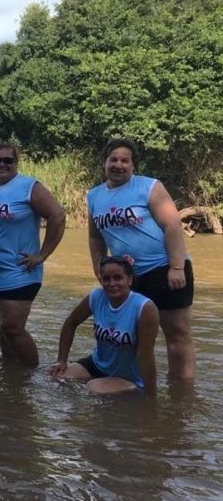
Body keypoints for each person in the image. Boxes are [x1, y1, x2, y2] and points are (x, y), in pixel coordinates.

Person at [87, 138, 195, 379]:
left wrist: (176, 267)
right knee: (132, 337)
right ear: (104, 163)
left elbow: (172, 225)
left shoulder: (149, 187)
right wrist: (99, 268)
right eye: (113, 159)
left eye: (125, 160)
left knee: (176, 334)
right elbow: (96, 237)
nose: (118, 165)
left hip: (164, 269)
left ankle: (181, 396)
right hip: (127, 278)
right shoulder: (94, 196)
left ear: (134, 165)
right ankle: (138, 390)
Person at [0, 142, 66, 366]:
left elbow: (58, 216)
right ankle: (10, 376)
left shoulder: (29, 186)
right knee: (3, 328)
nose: (2, 164)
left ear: (16, 162)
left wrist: (42, 255)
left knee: (13, 328)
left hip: (20, 269)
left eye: (8, 160)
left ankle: (31, 376)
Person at [50, 256, 159, 395]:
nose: (112, 283)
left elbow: (145, 355)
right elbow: (71, 323)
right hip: (98, 364)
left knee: (93, 388)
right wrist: (61, 360)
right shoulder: (96, 297)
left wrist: (151, 397)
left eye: (118, 278)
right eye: (106, 279)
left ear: (130, 280)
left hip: (129, 376)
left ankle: (133, 391)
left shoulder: (144, 308)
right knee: (55, 377)